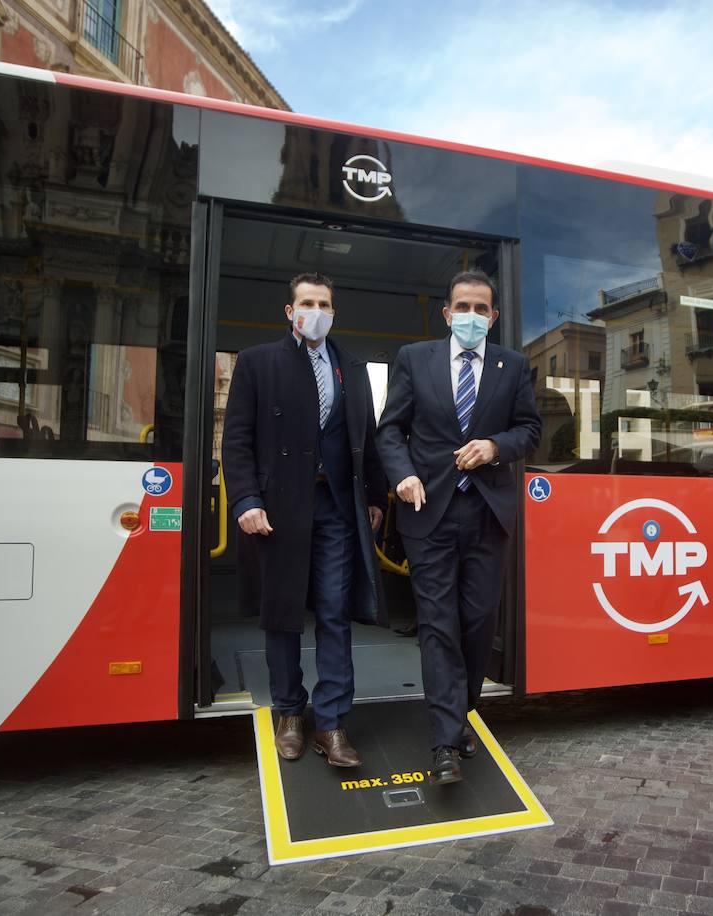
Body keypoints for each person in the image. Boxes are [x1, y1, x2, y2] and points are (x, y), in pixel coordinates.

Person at [376, 268, 541, 784]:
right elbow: (390, 431)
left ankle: (460, 710)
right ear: (447, 314)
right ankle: (445, 740)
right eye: (462, 308)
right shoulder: (414, 359)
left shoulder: (512, 366)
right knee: (438, 625)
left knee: (477, 624)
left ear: (492, 317)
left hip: (488, 514)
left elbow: (531, 430)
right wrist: (402, 476)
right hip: (429, 513)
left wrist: (496, 447)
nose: (471, 316)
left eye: (480, 309)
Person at [222, 273, 386, 765]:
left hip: (336, 507)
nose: (317, 310)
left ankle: (332, 722)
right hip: (277, 510)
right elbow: (236, 440)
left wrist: (375, 496)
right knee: (283, 615)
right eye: (308, 302)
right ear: (289, 311)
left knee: (335, 614)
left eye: (325, 303)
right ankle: (290, 713)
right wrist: (246, 500)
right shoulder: (257, 362)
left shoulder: (351, 367)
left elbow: (368, 439)